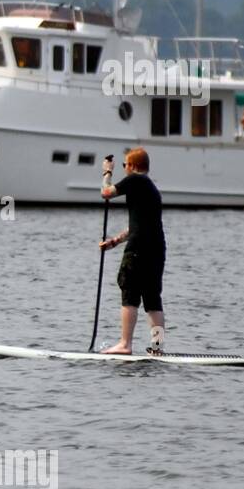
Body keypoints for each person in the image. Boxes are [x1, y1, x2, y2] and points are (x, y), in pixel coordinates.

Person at [98, 147, 165, 355]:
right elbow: (140, 225)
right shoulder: (152, 189)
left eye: (125, 165)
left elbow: (106, 193)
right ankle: (158, 347)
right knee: (153, 299)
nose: (124, 169)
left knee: (130, 292)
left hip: (138, 250)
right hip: (156, 249)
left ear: (134, 166)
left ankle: (125, 344)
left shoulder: (135, 180)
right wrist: (115, 241)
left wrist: (107, 172)